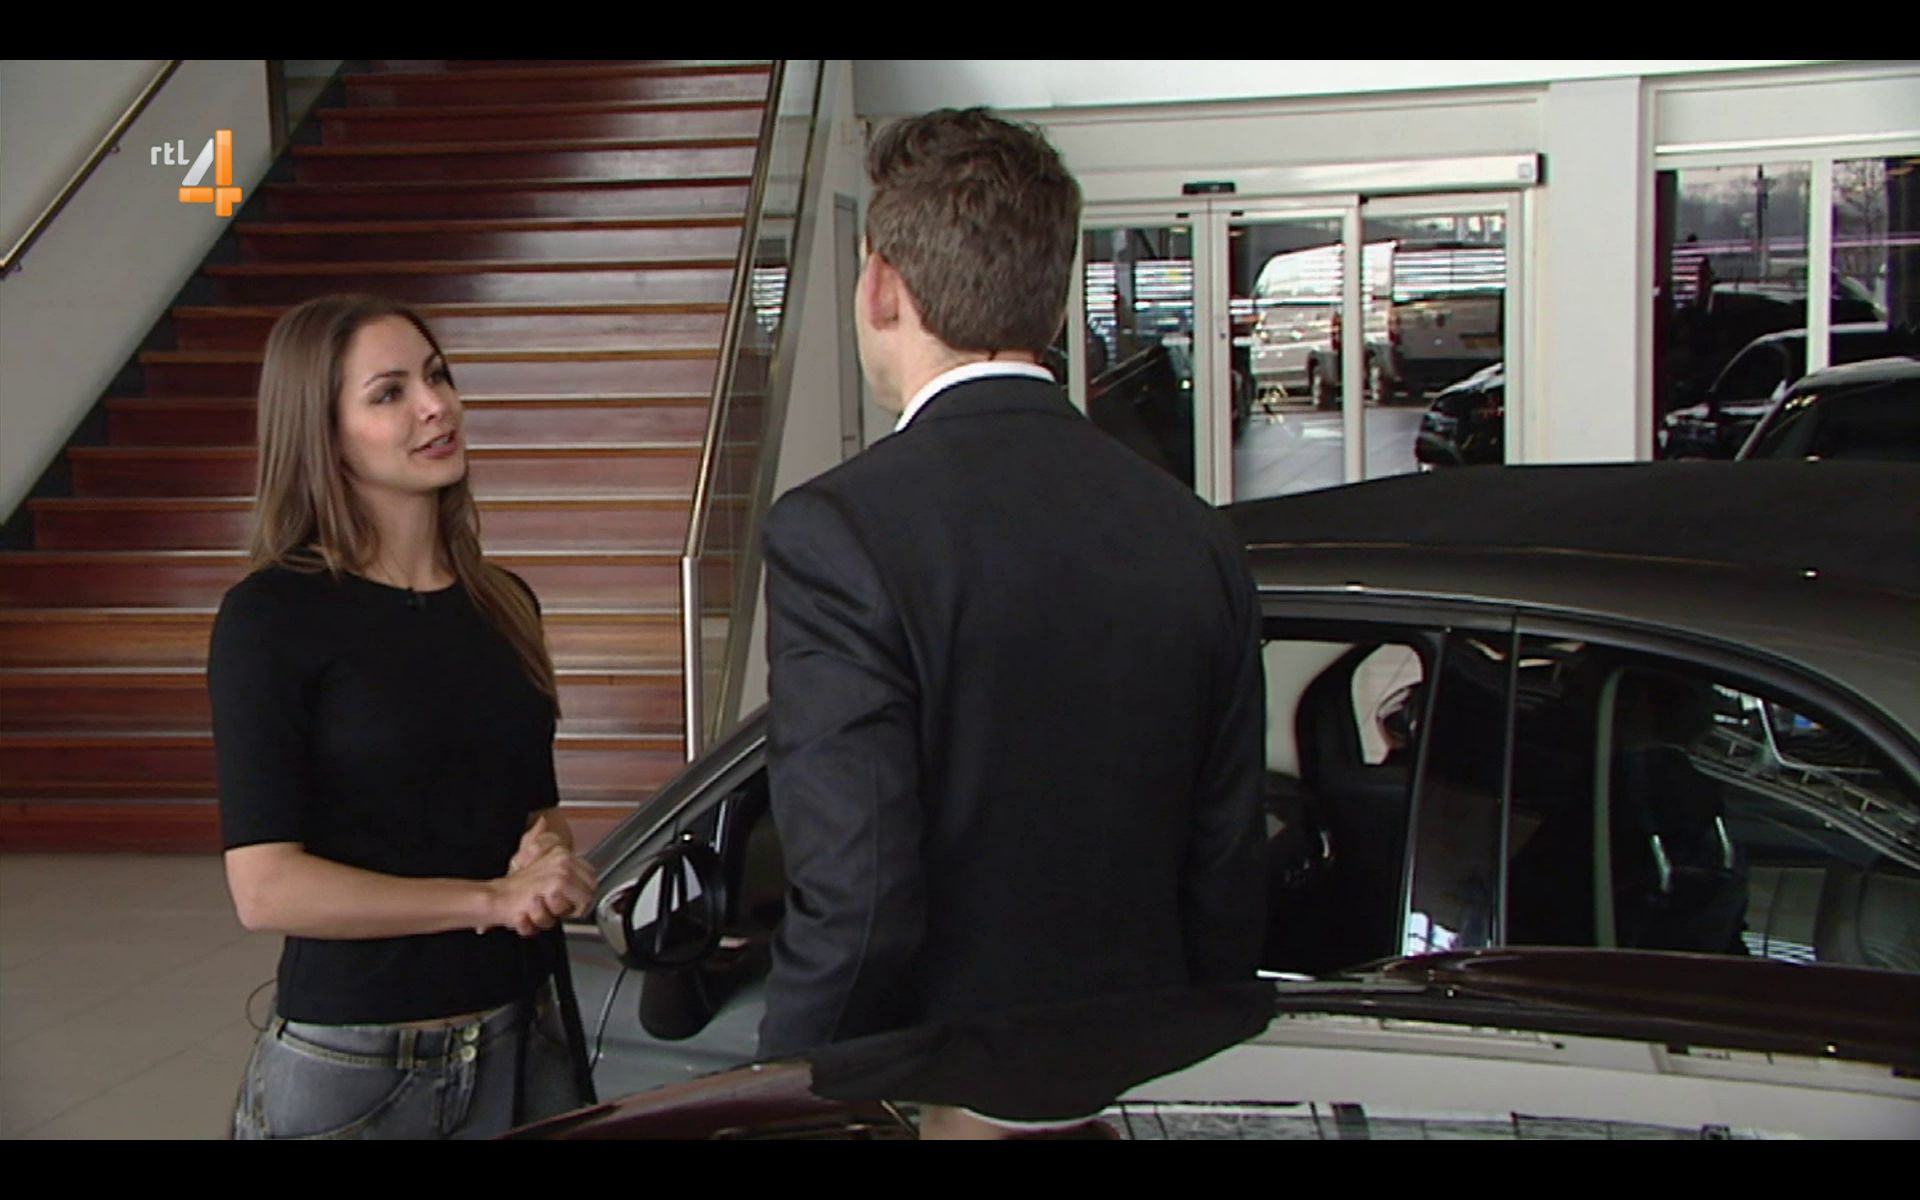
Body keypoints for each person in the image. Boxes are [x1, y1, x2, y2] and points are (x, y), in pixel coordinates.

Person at [756, 109, 1267, 1136]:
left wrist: (779, 1101)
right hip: (1143, 1095)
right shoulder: (1191, 530)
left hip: (951, 1099)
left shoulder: (840, 533)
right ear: (1052, 291)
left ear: (881, 284)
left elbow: (859, 901)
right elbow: (1224, 872)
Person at [209, 294, 598, 1139]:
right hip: (359, 1067)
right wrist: (489, 900)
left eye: (437, 376)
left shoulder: (504, 604)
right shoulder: (271, 616)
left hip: (525, 1043)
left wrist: (548, 860)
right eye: (389, 393)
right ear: (324, 433)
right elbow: (266, 888)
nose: (435, 406)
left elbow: (536, 815)